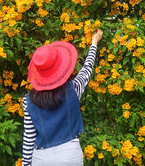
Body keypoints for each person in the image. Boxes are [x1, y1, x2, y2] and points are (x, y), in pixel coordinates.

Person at [21, 29, 103, 166]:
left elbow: (29, 139)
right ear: (60, 67)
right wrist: (94, 43)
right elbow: (87, 69)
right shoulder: (74, 89)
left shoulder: (28, 100)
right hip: (70, 155)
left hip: (41, 158)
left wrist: (25, 164)